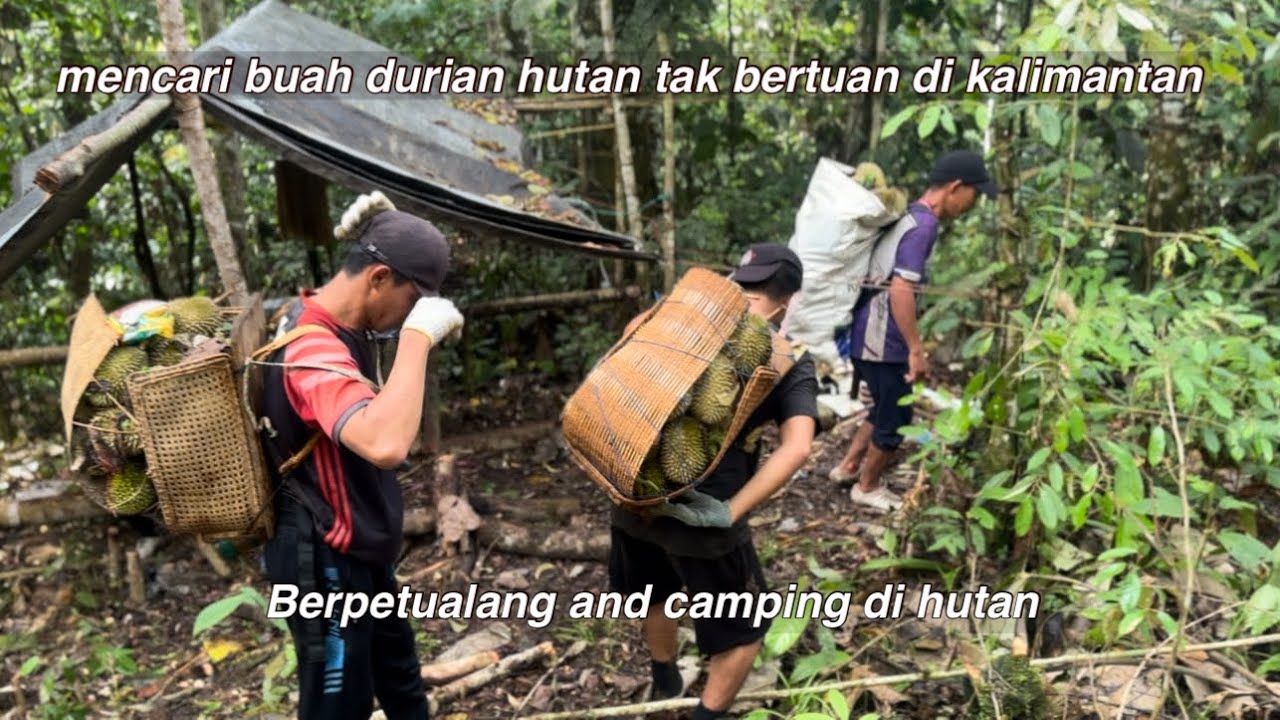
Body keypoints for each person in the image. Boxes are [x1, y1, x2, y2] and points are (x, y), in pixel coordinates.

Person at [258, 191, 464, 720]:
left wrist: (393, 225)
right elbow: (385, 443)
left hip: (358, 548)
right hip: (322, 554)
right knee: (337, 705)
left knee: (400, 683)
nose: (410, 317)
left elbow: (376, 298)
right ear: (376, 279)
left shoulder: (336, 319)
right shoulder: (310, 350)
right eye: (412, 300)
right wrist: (417, 339)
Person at [609, 244, 819, 720]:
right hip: (702, 512)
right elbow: (798, 446)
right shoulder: (788, 359)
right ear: (789, 301)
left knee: (655, 590)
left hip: (633, 490)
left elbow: (625, 352)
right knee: (745, 633)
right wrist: (732, 509)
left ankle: (664, 678)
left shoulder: (675, 324)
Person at [830, 150, 996, 511]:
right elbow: (901, 289)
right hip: (882, 337)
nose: (974, 202)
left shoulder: (908, 217)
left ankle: (848, 467)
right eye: (975, 193)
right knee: (897, 415)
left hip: (867, 334)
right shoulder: (924, 225)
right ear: (955, 188)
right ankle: (867, 486)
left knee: (884, 407)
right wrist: (915, 349)